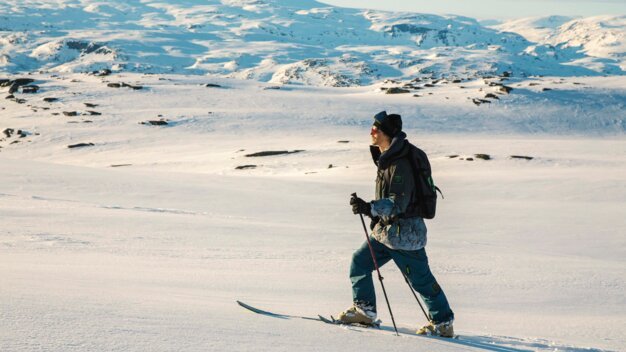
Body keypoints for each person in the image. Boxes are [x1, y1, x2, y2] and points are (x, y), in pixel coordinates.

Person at [337, 111, 455, 337]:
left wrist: (369, 207)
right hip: (386, 233)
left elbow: (398, 203)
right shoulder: (388, 158)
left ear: (386, 133)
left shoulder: (400, 164)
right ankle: (364, 311)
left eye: (375, 129)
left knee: (421, 281)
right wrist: (373, 215)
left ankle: (443, 323)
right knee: (360, 262)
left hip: (404, 236)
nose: (371, 133)